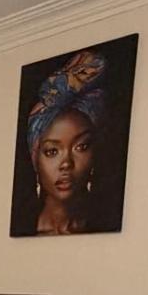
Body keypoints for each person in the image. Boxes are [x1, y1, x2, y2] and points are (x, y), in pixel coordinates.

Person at [25, 49, 106, 235]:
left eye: (81, 147)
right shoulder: (27, 227)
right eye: (52, 151)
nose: (66, 164)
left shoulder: (101, 223)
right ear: (36, 159)